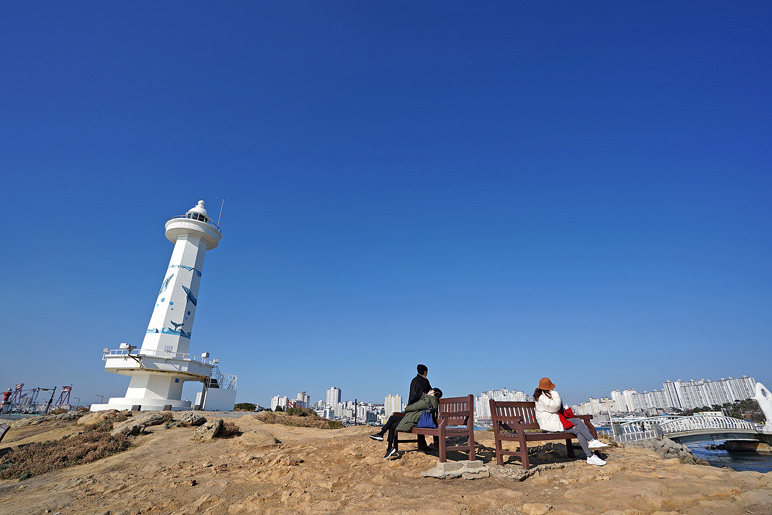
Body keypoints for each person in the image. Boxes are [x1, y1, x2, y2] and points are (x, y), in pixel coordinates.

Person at [533, 377, 608, 466]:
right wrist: (555, 394)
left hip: (556, 421)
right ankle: (591, 441)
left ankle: (590, 456)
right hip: (550, 424)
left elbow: (558, 408)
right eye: (551, 387)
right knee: (577, 421)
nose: (553, 389)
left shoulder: (545, 395)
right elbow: (555, 407)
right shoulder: (542, 397)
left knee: (578, 431)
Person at [371, 388, 443, 459]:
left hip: (415, 421)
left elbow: (415, 407)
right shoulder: (431, 400)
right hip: (413, 418)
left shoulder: (427, 401)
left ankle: (387, 444)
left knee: (392, 424)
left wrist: (406, 408)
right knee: (392, 419)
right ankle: (382, 436)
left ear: (433, 394)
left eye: (431, 391)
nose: (429, 391)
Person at [408, 364, 433, 450]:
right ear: (425, 372)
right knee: (432, 416)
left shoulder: (414, 380)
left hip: (411, 408)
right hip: (418, 409)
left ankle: (422, 443)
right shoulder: (424, 381)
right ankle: (436, 441)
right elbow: (427, 395)